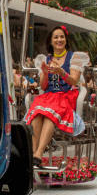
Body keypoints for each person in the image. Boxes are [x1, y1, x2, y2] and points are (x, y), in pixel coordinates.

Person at [24, 26, 88, 164]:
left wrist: (61, 72)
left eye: (62, 37)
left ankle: (40, 152)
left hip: (65, 95)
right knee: (37, 112)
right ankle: (33, 153)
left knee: (49, 114)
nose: (59, 40)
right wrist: (46, 73)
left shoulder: (73, 57)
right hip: (48, 96)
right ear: (50, 41)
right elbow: (44, 86)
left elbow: (74, 81)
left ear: (66, 39)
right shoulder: (45, 59)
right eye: (56, 37)